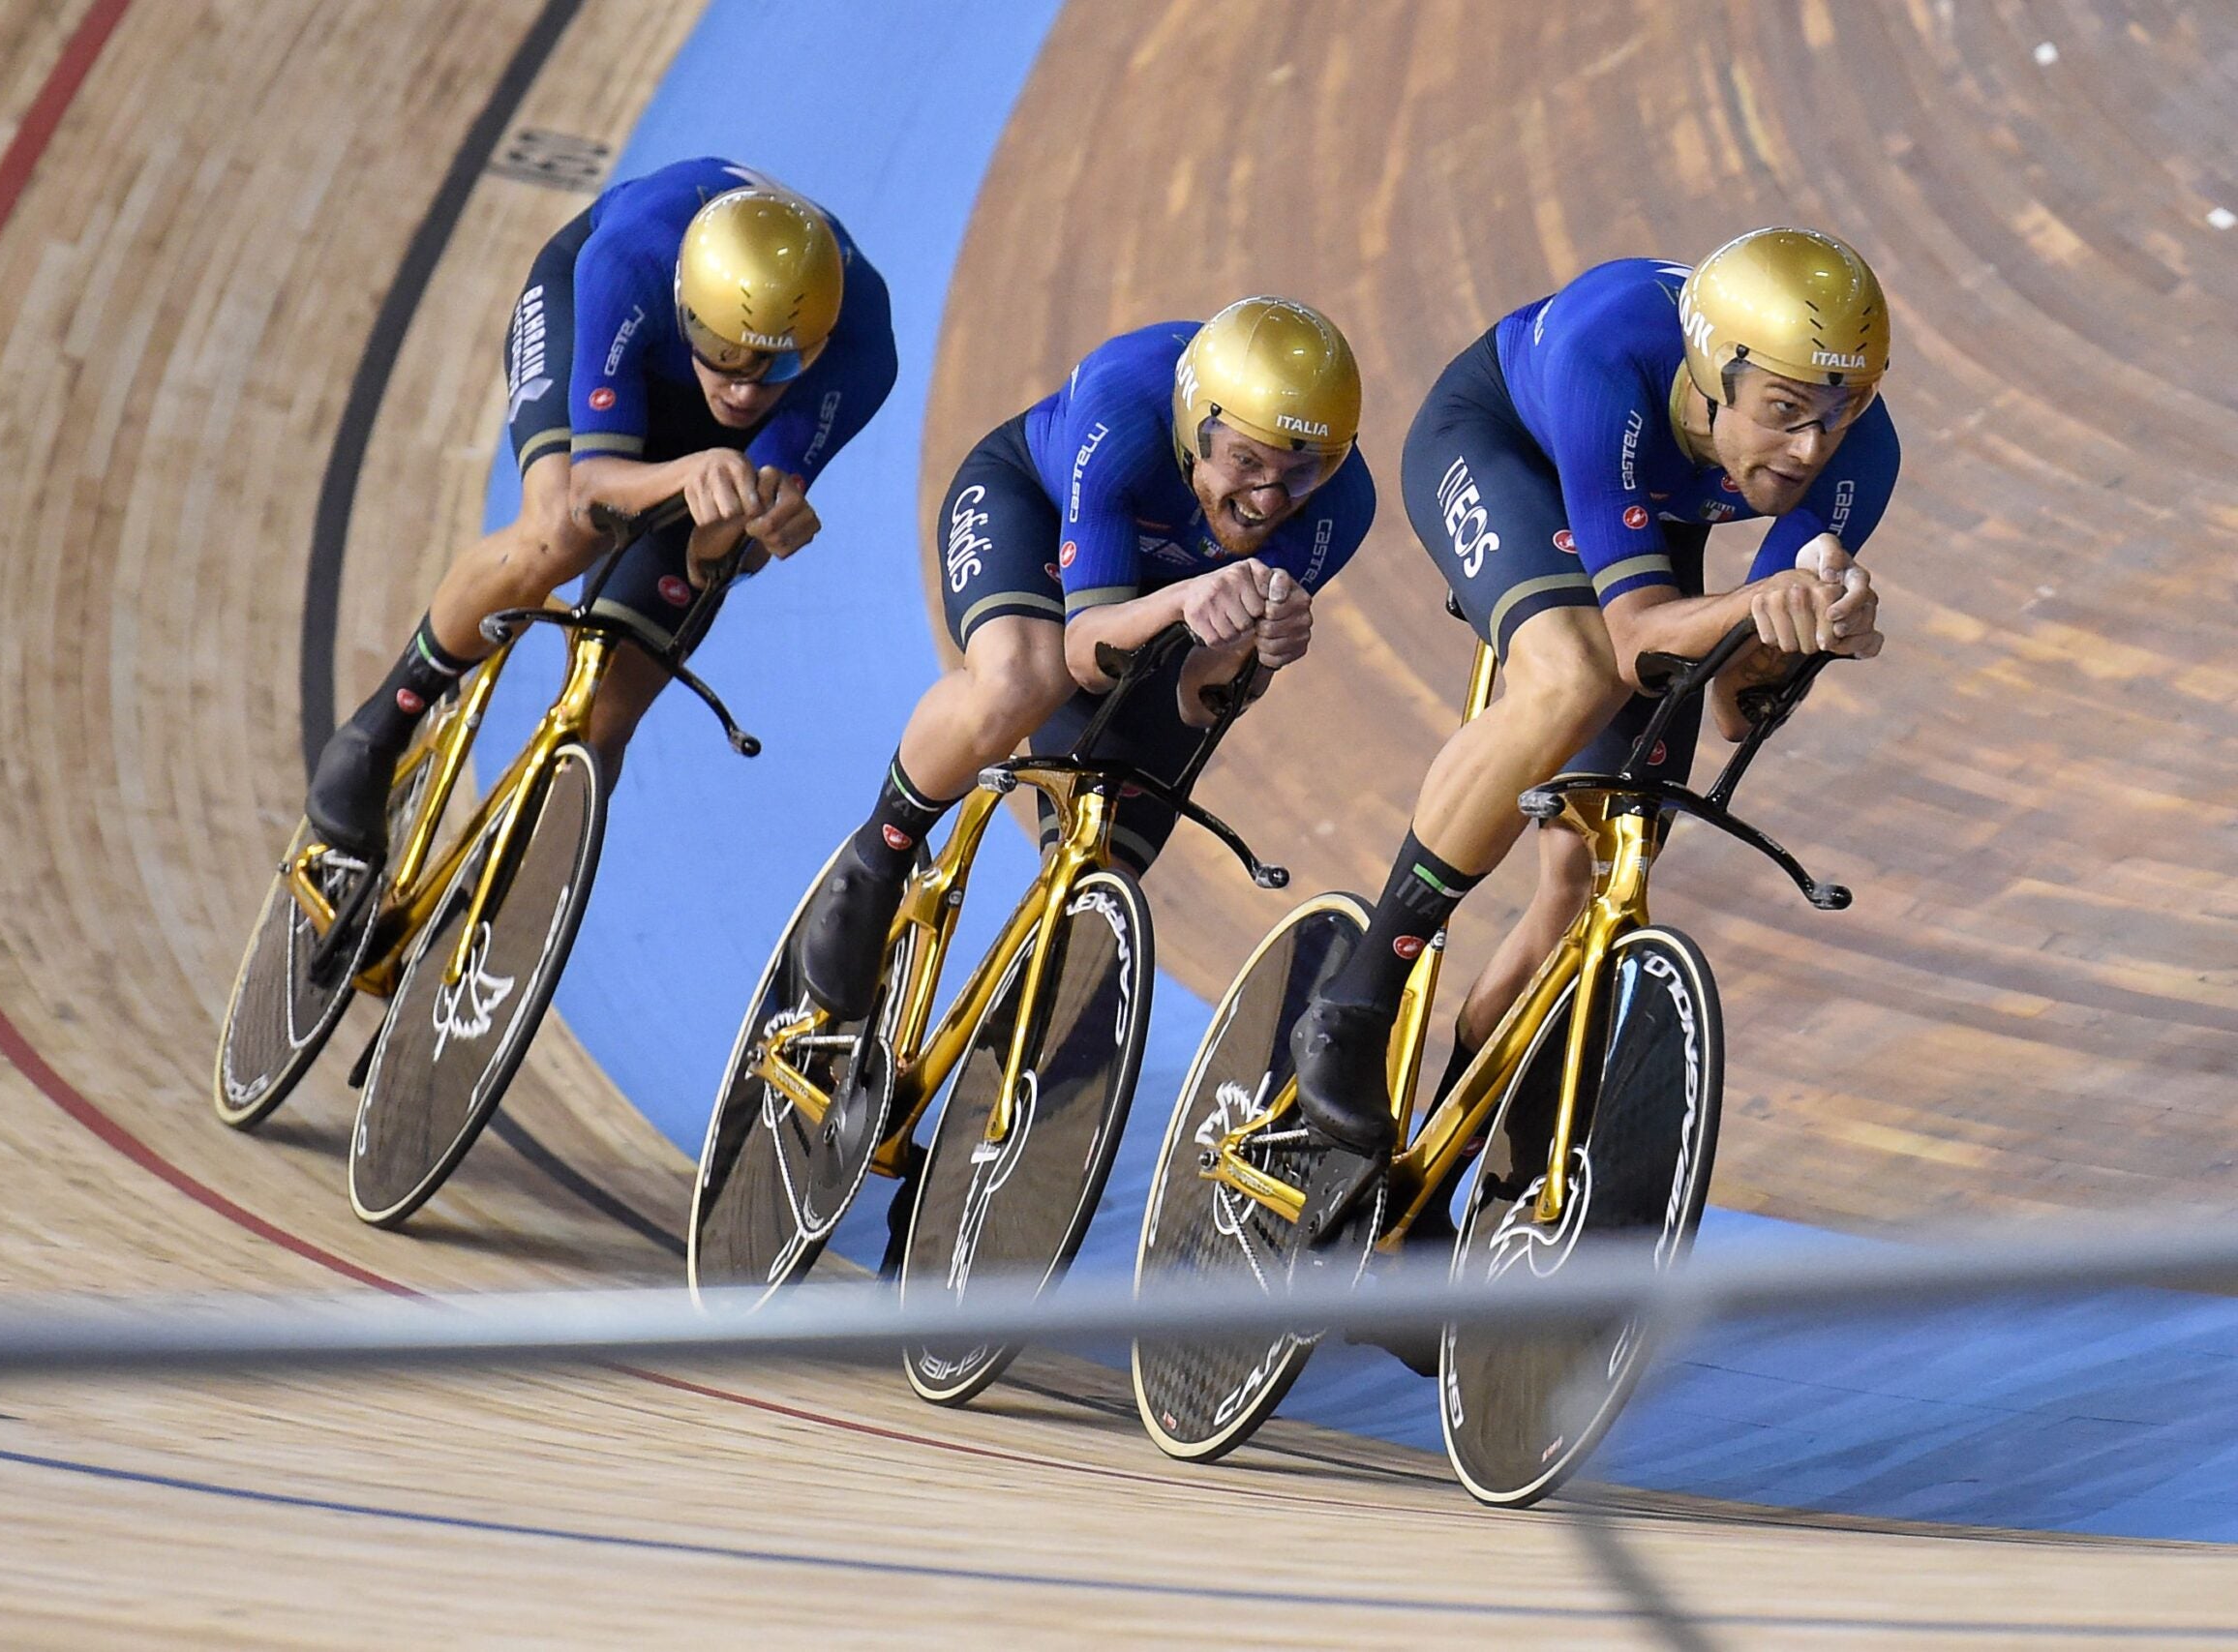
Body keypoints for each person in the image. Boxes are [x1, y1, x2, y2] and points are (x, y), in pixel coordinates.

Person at [1287, 227, 1901, 1244]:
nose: (1808, 450)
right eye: (1784, 414)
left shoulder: (1854, 461)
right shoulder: (1606, 344)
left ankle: (1422, 1207)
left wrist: (1802, 642)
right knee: (1568, 672)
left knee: (1596, 879)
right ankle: (1356, 1001)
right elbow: (1628, 642)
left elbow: (1732, 698)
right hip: (1506, 447)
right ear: (1711, 377)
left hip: (1651, 512)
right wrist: (1759, 604)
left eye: (1837, 417)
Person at [795, 297, 1376, 1019]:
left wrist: (1261, 656)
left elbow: (1198, 695)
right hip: (1036, 519)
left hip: (1170, 602)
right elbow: (1084, 653)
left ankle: (1009, 1050)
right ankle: (878, 854)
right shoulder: (1124, 405)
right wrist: (1184, 600)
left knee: (1100, 882)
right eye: (1246, 461)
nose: (1266, 498)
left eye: (1298, 473)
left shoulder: (1340, 506)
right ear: (1198, 428)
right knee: (1020, 680)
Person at [304, 157, 897, 860]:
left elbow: (716, 557)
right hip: (599, 331)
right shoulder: (631, 262)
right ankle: (385, 720)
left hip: (713, 440)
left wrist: (754, 532)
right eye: (722, 353)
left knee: (616, 700)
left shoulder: (859, 351)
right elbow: (593, 489)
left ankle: (515, 895)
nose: (743, 389)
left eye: (779, 366)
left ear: (820, 344)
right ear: (687, 309)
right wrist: (691, 469)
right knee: (558, 531)